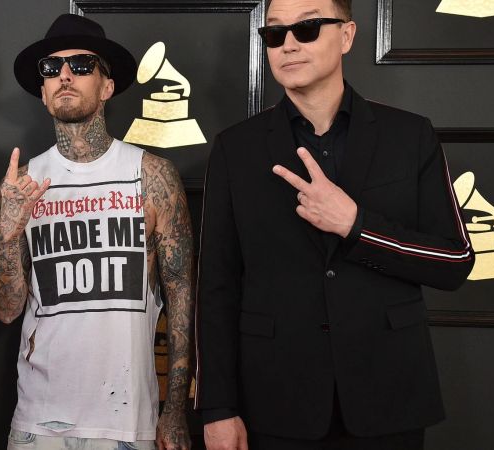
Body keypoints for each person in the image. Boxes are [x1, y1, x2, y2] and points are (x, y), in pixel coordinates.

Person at [196, 0, 474, 449]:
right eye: (274, 34)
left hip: (389, 396)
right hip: (275, 400)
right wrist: (218, 408)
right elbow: (217, 288)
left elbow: (454, 260)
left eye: (307, 29)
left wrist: (356, 225)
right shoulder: (236, 149)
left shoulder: (410, 135)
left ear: (346, 36)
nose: (288, 44)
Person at [0, 14, 194, 450]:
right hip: (39, 421)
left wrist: (174, 409)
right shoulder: (21, 184)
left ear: (107, 86)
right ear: (42, 93)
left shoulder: (152, 176)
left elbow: (181, 297)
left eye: (81, 65)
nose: (64, 75)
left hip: (127, 421)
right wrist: (7, 237)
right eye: (51, 68)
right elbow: (5, 310)